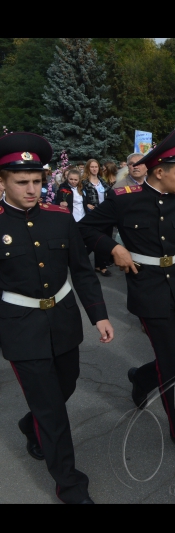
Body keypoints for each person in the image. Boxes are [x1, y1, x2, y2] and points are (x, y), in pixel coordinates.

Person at [0, 132, 114, 504]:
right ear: (2, 182)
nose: (32, 189)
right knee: (52, 411)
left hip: (63, 321)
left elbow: (81, 271)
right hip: (20, 329)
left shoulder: (60, 218)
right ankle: (70, 485)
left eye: (37, 181)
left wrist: (99, 315)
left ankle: (29, 425)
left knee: (65, 386)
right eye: (22, 182)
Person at [79, 130, 175, 455]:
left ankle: (140, 378)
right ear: (159, 172)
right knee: (170, 363)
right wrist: (113, 249)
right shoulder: (124, 199)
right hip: (149, 290)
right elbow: (85, 228)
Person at [81, 158, 113, 277]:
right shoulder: (84, 182)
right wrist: (86, 204)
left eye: (96, 167)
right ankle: (80, 261)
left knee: (104, 239)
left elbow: (109, 194)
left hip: (104, 213)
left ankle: (101, 266)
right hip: (92, 214)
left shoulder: (102, 181)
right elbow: (78, 196)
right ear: (88, 168)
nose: (94, 169)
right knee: (92, 239)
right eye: (92, 167)